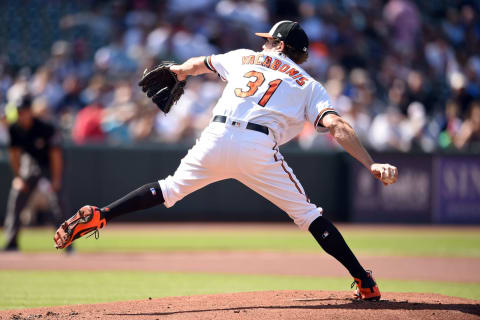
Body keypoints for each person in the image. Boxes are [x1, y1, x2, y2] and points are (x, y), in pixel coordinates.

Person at [54, 21, 398, 300]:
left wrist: (177, 71)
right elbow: (336, 125)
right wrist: (370, 164)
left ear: (278, 44)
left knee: (168, 188)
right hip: (258, 146)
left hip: (215, 137)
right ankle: (363, 281)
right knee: (309, 216)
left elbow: (195, 66)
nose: (263, 43)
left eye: (268, 40)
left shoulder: (244, 57)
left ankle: (103, 215)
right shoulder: (309, 85)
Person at [3, 94, 71, 252]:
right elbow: (14, 155)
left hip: (50, 165)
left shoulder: (45, 127)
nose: (22, 114)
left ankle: (68, 242)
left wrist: (56, 180)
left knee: (59, 201)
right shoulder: (14, 128)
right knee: (17, 195)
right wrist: (19, 178)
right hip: (31, 163)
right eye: (19, 111)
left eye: (25, 110)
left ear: (30, 111)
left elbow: (56, 156)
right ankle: (11, 242)